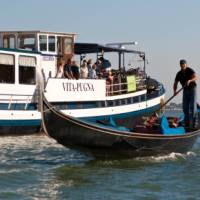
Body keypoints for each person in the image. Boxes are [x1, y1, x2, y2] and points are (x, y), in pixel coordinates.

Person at [173, 59, 197, 128]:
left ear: (186, 64)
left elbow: (195, 77)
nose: (182, 65)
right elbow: (175, 83)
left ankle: (194, 123)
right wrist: (175, 91)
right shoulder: (179, 73)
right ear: (180, 65)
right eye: (181, 64)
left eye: (184, 64)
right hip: (185, 90)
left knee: (192, 106)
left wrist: (190, 80)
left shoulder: (190, 70)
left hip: (192, 89)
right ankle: (187, 123)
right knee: (185, 107)